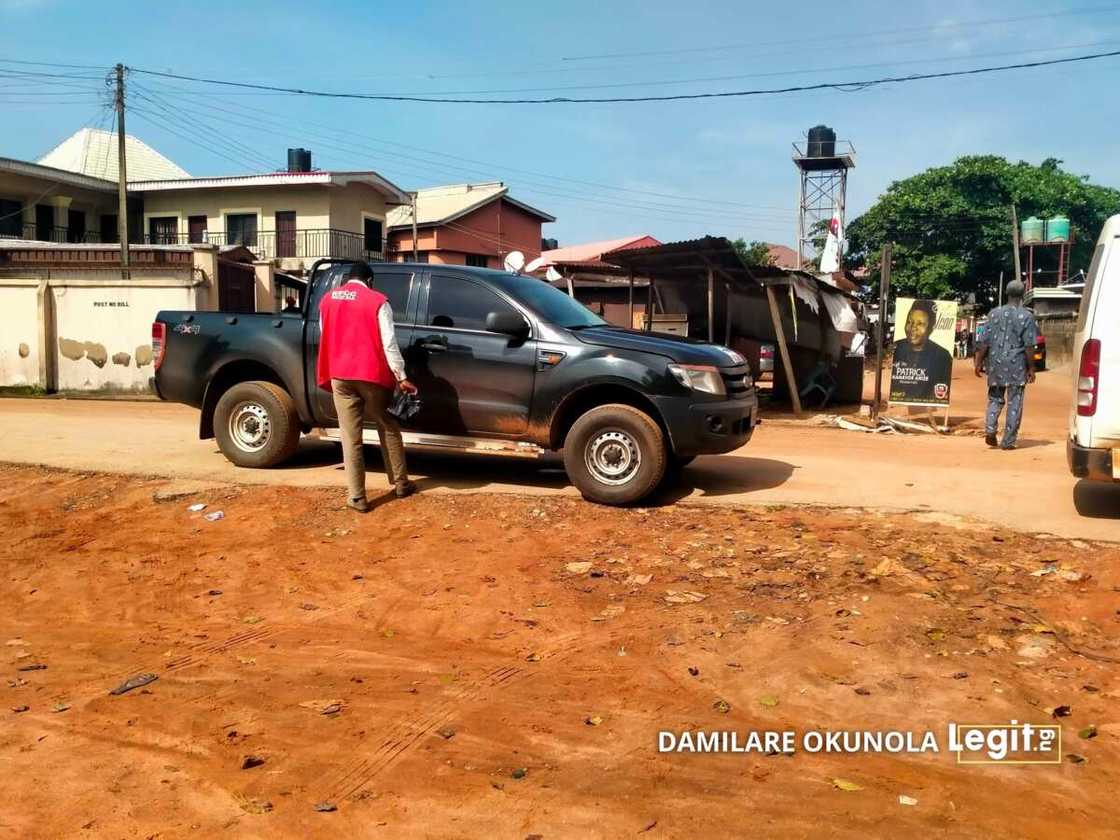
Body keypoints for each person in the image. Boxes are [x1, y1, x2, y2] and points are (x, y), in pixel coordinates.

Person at [317, 261, 419, 512]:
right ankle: (401, 483)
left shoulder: (327, 300)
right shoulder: (377, 301)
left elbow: (324, 332)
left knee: (350, 437)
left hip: (340, 375)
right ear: (370, 280)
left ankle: (357, 497)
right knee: (387, 426)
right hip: (371, 375)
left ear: (348, 279)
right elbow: (389, 342)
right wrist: (401, 376)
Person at [974, 279, 1037, 450]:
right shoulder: (1027, 316)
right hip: (1017, 364)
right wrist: (1031, 368)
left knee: (995, 397)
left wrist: (978, 362)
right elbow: (1029, 345)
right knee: (1015, 401)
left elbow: (984, 342)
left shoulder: (993, 314)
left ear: (1007, 294)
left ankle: (990, 429)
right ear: (1023, 295)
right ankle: (1008, 441)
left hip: (995, 363)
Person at [891, 299, 953, 402]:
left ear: (931, 328)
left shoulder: (942, 356)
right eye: (909, 322)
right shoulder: (897, 348)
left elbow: (941, 389)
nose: (913, 327)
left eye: (920, 324)